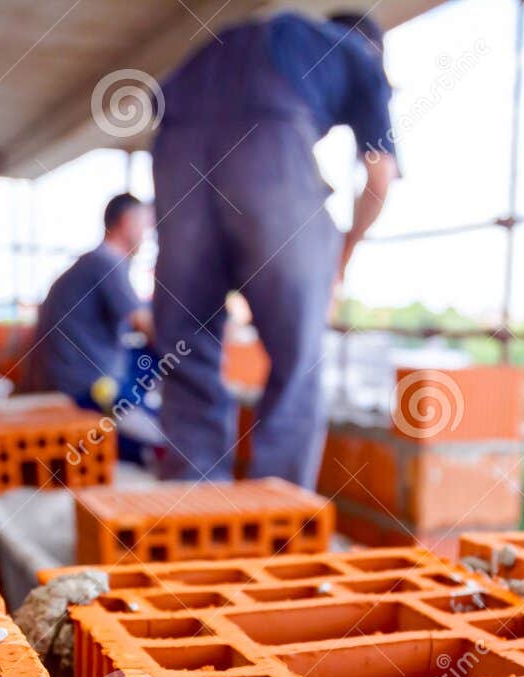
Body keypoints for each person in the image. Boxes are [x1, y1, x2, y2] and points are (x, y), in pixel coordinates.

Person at [152, 10, 398, 487]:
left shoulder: (259, 36)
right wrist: (339, 259)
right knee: (298, 359)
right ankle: (277, 521)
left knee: (186, 346)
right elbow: (379, 179)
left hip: (175, 143)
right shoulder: (362, 56)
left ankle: (193, 514)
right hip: (267, 145)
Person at [28, 192, 154, 410]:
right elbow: (145, 325)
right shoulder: (107, 262)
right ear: (126, 222)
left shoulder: (92, 262)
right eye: (144, 225)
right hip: (85, 386)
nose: (147, 234)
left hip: (64, 375)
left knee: (144, 359)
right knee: (162, 357)